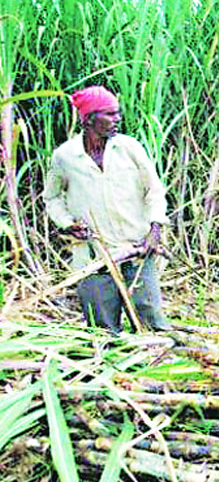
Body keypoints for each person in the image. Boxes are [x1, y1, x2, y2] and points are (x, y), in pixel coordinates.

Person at [44, 85, 172, 333]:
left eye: (117, 113)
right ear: (89, 119)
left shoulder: (129, 148)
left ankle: (154, 366)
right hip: (94, 255)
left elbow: (154, 190)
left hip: (136, 249)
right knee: (103, 331)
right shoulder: (65, 157)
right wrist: (67, 224)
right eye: (110, 114)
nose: (117, 119)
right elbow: (52, 198)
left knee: (151, 325)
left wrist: (155, 229)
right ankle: (112, 371)